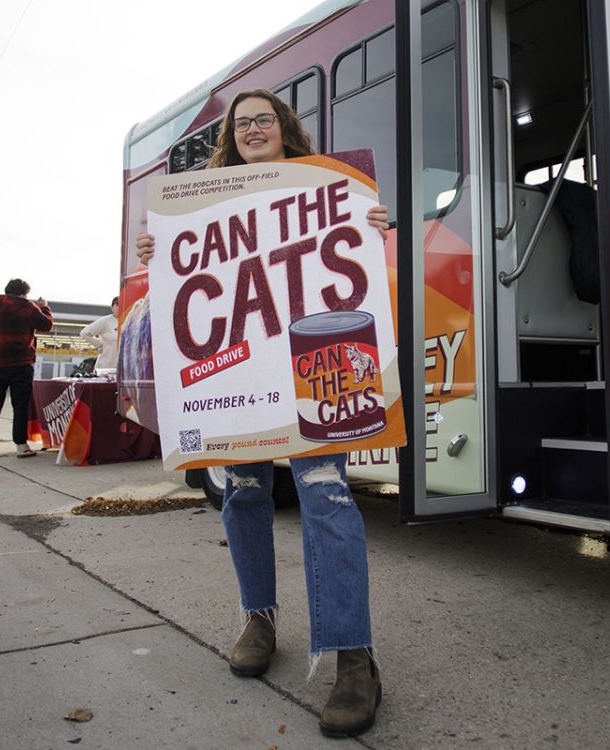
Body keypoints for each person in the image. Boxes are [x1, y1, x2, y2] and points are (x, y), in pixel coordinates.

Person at [136, 88, 389, 738]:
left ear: (283, 129)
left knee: (326, 494)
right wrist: (157, 253)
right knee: (244, 491)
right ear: (233, 136)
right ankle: (259, 619)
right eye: (242, 122)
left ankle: (353, 656)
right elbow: (180, 276)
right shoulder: (210, 201)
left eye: (263, 119)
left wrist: (370, 229)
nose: (252, 129)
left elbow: (353, 262)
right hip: (239, 376)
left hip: (310, 369)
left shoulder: (324, 188)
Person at [0, 279, 53, 459]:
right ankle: (21, 445)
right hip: (21, 364)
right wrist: (44, 307)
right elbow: (46, 325)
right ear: (24, 294)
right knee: (20, 406)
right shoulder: (27, 307)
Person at [79, 296, 119, 370]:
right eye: (117, 304)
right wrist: (99, 345)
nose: (120, 307)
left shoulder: (129, 322)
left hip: (124, 371)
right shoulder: (105, 321)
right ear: (112, 307)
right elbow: (84, 333)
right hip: (105, 368)